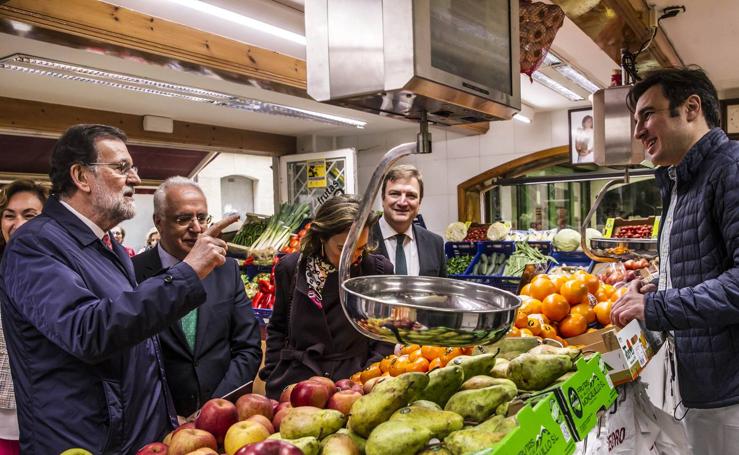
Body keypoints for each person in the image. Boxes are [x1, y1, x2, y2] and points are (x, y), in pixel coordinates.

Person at [0, 124, 235, 453]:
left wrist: (165, 420)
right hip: (86, 444)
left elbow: (138, 344)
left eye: (133, 168)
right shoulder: (35, 245)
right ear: (82, 177)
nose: (136, 179)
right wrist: (186, 272)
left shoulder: (104, 244)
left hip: (135, 437)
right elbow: (88, 331)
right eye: (122, 168)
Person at [610, 67, 739, 454]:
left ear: (691, 108)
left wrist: (658, 305)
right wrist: (659, 286)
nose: (637, 132)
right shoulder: (683, 181)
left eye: (647, 114)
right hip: (702, 382)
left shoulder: (730, 169)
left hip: (729, 392)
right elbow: (706, 263)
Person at [133, 177, 262, 417]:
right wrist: (167, 414)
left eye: (202, 218)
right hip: (161, 420)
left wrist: (215, 407)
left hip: (225, 414)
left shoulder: (226, 269)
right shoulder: (133, 273)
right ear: (158, 222)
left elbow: (248, 347)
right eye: (183, 219)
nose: (197, 228)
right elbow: (132, 362)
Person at [260, 195, 394, 399]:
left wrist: (368, 376)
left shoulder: (377, 271)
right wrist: (272, 373)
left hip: (353, 385)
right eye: (343, 248)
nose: (353, 257)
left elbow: (385, 333)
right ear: (322, 237)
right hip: (298, 385)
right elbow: (278, 328)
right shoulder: (290, 269)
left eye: (360, 248)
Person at [0, 180, 48, 455]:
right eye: (9, 215)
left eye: (30, 215)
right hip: (4, 421)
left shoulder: (66, 273)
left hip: (51, 418)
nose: (19, 222)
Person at [371, 164, 446, 277]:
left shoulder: (435, 243)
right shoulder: (362, 240)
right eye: (395, 194)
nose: (402, 202)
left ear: (419, 202)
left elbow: (441, 291)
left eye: (411, 196)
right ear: (383, 198)